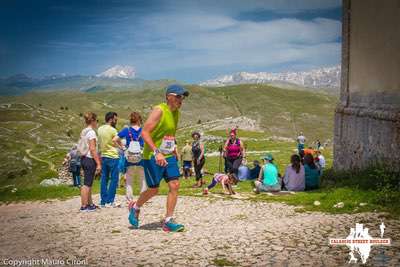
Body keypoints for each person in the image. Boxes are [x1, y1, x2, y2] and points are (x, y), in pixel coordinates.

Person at [128, 84, 189, 232]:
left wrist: (173, 147)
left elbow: (169, 134)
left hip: (168, 155)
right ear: (169, 97)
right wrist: (157, 152)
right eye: (179, 96)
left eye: (183, 97)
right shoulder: (159, 110)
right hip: (152, 156)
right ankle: (135, 207)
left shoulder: (176, 113)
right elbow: (145, 132)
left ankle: (168, 221)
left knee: (174, 184)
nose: (182, 100)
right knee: (154, 189)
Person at [113, 112, 147, 203]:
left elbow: (114, 139)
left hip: (129, 158)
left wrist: (123, 148)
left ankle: (130, 199)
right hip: (141, 157)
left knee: (129, 179)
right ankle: (143, 198)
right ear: (139, 120)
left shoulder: (126, 130)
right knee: (143, 178)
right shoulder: (143, 130)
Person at [97, 111, 121, 208]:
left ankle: (103, 201)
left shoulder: (99, 129)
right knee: (114, 179)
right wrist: (123, 147)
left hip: (103, 156)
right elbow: (118, 141)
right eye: (115, 119)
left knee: (104, 179)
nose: (116, 121)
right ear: (111, 119)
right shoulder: (113, 130)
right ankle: (110, 201)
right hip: (113, 156)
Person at [79, 112, 101, 212]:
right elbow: (92, 149)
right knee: (87, 184)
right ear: (92, 121)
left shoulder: (84, 131)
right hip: (89, 159)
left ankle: (90, 203)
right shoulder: (91, 132)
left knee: (89, 182)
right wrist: (98, 163)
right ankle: (84, 206)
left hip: (84, 158)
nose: (97, 122)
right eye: (96, 120)